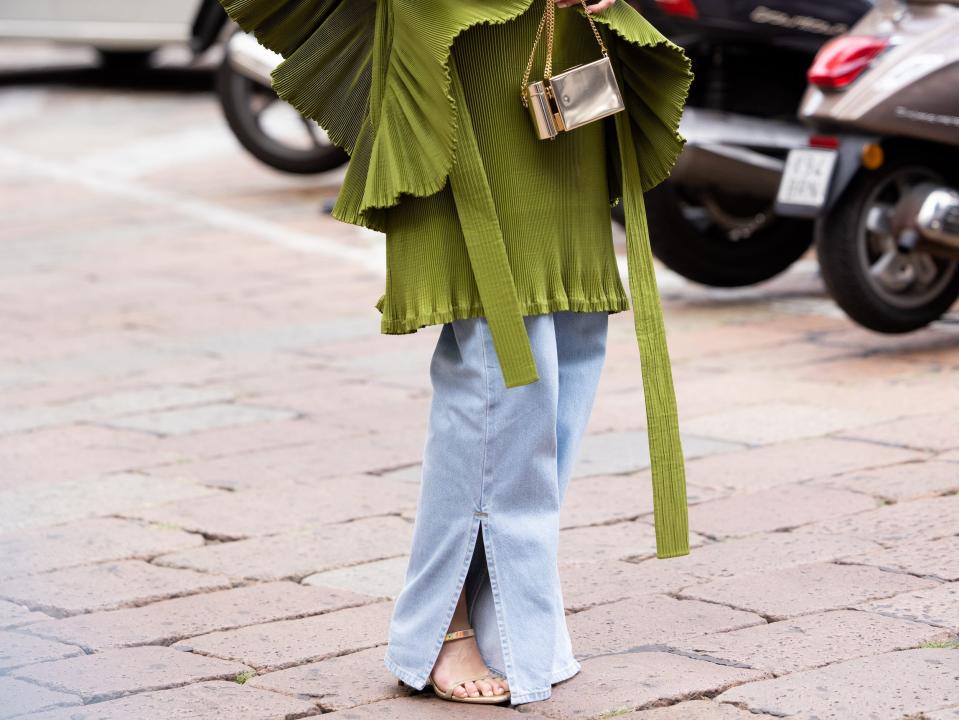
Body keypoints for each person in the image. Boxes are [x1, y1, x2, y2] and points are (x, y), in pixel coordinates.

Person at [217, 0, 693, 707]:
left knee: (568, 339)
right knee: (500, 360)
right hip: (461, 45)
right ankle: (442, 624)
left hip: (553, 46)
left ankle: (515, 620)